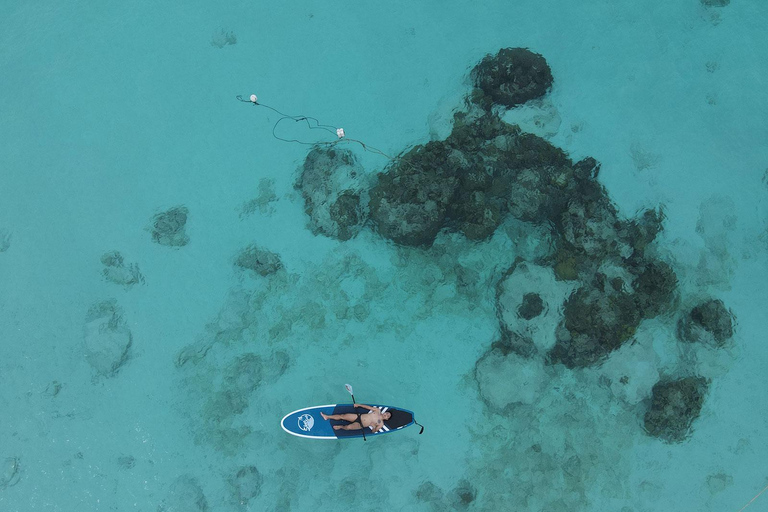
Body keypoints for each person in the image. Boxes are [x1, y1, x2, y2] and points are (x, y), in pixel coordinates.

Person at [321, 404, 392, 433]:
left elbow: (373, 431)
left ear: (387, 419)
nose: (386, 415)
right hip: (358, 416)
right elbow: (368, 407)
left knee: (348, 427)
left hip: (361, 425)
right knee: (342, 416)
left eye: (387, 416)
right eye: (387, 413)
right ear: (384, 412)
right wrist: (359, 405)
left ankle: (341, 427)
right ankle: (327, 417)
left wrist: (374, 427)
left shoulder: (381, 424)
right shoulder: (377, 411)